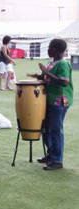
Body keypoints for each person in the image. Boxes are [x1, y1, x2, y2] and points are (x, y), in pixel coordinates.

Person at [29, 39, 73, 170]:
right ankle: (51, 155)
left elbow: (64, 82)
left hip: (59, 100)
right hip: (48, 100)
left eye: (50, 47)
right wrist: (40, 76)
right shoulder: (52, 62)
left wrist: (46, 72)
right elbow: (49, 78)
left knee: (55, 130)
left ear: (57, 49)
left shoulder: (63, 64)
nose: (48, 50)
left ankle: (57, 160)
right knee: (46, 128)